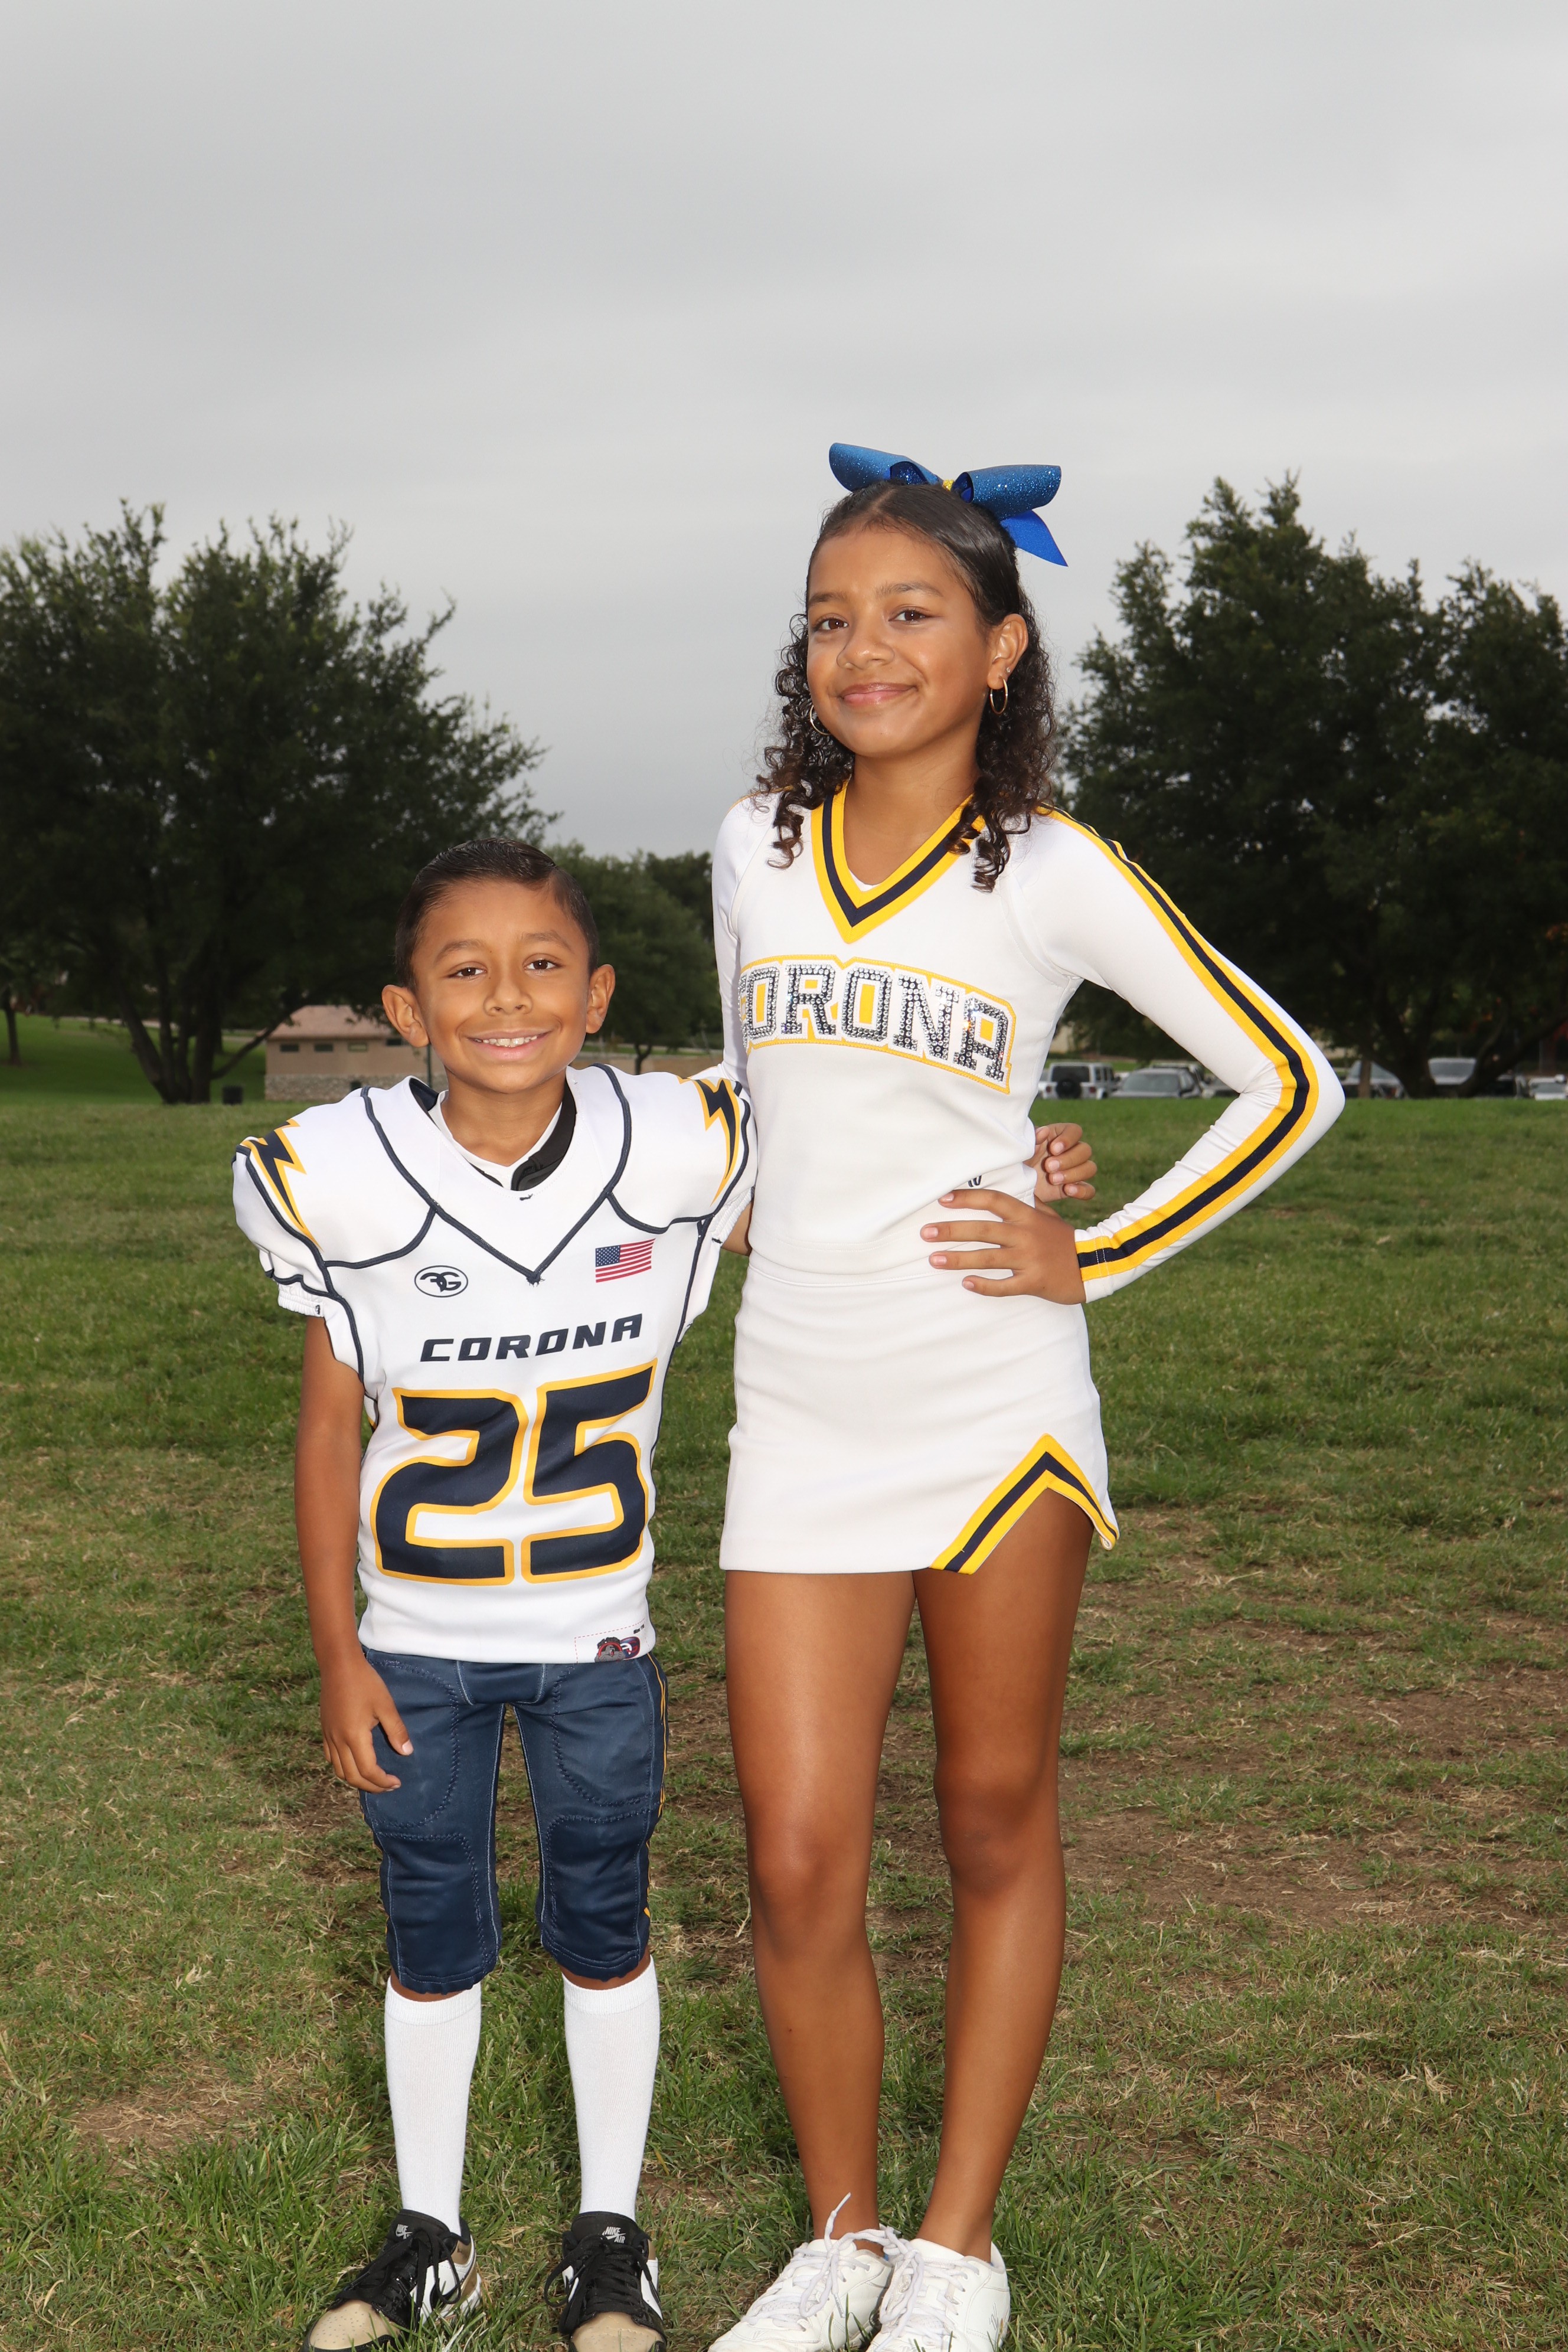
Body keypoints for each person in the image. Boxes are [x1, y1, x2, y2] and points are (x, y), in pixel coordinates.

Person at [709, 458, 1345, 2352]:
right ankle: (839, 2246)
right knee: (796, 1853)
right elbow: (753, 1097)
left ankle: (956, 2250)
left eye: (912, 614)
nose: (866, 648)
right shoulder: (750, 845)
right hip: (799, 1399)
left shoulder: (1053, 869)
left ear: (1000, 649)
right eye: (833, 617)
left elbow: (1287, 1081)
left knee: (991, 1813)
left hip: (993, 1403)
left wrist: (1097, 1249)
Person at [233, 839, 756, 2351]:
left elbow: (857, 1164)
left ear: (597, 995)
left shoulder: (675, 1145)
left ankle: (610, 2231)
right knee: (428, 1932)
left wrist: (1027, 1167)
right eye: (464, 970)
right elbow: (326, 1430)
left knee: (606, 1918)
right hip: (415, 1647)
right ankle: (431, 2232)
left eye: (541, 965)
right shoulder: (341, 1174)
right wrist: (336, 1652)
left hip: (597, 1640)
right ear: (407, 1008)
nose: (506, 997)